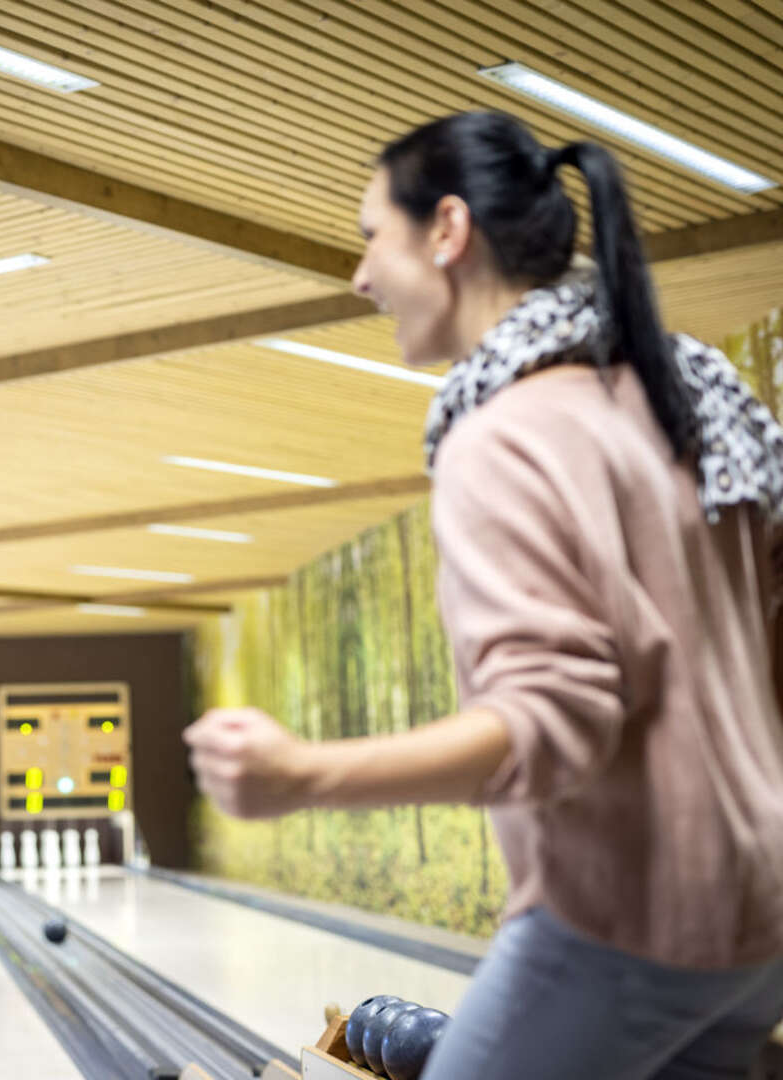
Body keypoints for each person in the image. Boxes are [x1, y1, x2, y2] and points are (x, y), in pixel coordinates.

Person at [184, 111, 783, 1078]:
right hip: (759, 923)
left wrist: (303, 775)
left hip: (625, 925)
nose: (362, 275)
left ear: (448, 231)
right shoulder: (691, 402)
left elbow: (556, 717)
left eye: (374, 235)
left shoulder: (503, 437)